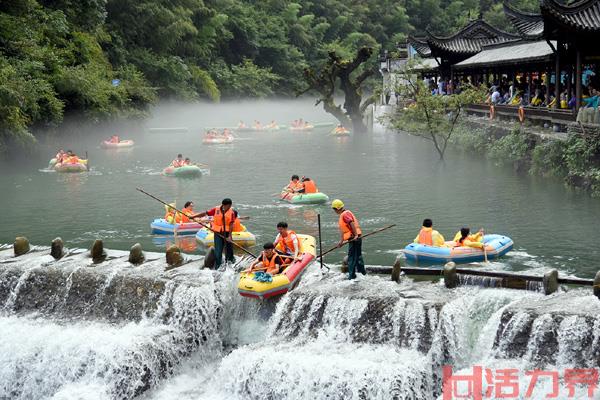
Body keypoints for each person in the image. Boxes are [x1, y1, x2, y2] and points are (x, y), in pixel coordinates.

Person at [194, 198, 238, 268]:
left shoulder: (231, 212)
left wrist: (229, 236)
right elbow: (205, 213)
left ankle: (231, 262)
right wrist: (194, 216)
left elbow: (231, 224)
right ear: (223, 205)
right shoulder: (216, 209)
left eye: (229, 206)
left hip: (226, 233)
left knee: (229, 249)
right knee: (218, 250)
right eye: (227, 206)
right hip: (217, 233)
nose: (228, 208)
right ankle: (218, 265)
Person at [332, 199, 365, 280]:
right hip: (354, 237)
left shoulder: (345, 215)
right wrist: (341, 241)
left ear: (337, 208)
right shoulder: (345, 214)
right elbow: (344, 230)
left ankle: (352, 277)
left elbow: (351, 223)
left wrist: (356, 235)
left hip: (354, 238)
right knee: (357, 256)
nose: (334, 211)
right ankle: (362, 273)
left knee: (352, 257)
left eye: (334, 209)